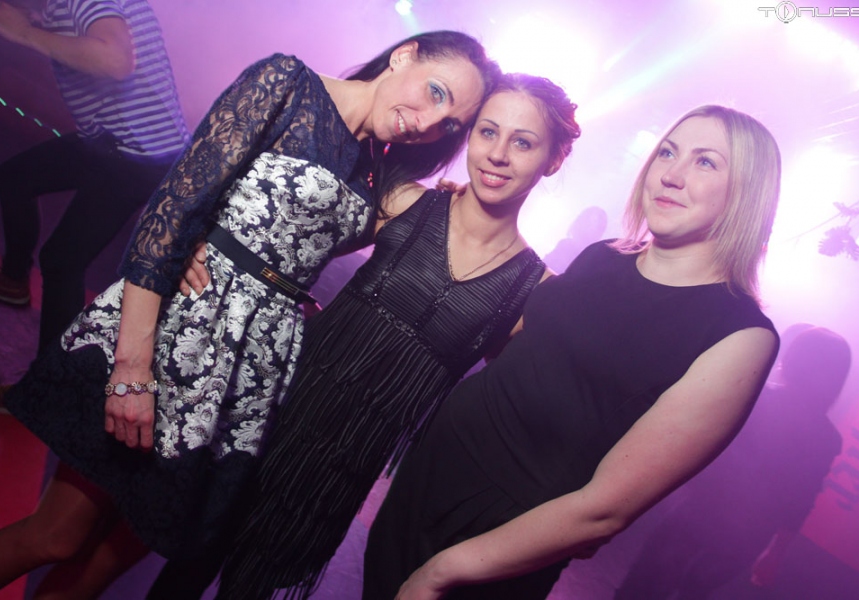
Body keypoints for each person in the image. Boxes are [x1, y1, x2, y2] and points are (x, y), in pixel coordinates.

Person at [0, 30, 498, 600]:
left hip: (249, 375)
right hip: (180, 330)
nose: (429, 122)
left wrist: (455, 197)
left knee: (108, 561)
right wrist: (131, 369)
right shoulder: (289, 84)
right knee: (56, 536)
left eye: (450, 123)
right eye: (436, 92)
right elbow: (173, 209)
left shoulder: (378, 172)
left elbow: (309, 243)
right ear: (404, 56)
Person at [150, 72, 581, 600]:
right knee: (185, 569)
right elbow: (284, 236)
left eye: (523, 142)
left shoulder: (534, 293)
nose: (497, 154)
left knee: (251, 589)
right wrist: (204, 239)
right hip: (270, 415)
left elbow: (507, 414)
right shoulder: (404, 202)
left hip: (342, 468)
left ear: (553, 159)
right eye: (488, 132)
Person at [363, 104, 783, 599]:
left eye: (705, 162)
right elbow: (527, 358)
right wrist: (465, 215)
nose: (671, 174)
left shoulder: (740, 335)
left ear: (746, 194)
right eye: (668, 153)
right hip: (426, 480)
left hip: (494, 543)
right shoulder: (603, 255)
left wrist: (443, 572)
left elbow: (603, 511)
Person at [0, 0, 190, 414]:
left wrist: (24, 32)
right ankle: (13, 281)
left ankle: (47, 393)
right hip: (108, 143)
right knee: (15, 177)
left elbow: (115, 60)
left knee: (61, 261)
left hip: (136, 158)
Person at [613, 325, 850, 600]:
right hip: (746, 539)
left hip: (699, 513)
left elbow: (703, 447)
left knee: (641, 589)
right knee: (692, 593)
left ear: (794, 359)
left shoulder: (756, 395)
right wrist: (775, 553)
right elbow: (799, 502)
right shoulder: (826, 439)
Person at [542, 205, 607, 273]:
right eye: (581, 218)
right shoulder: (565, 244)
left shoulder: (590, 261)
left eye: (590, 222)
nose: (578, 221)